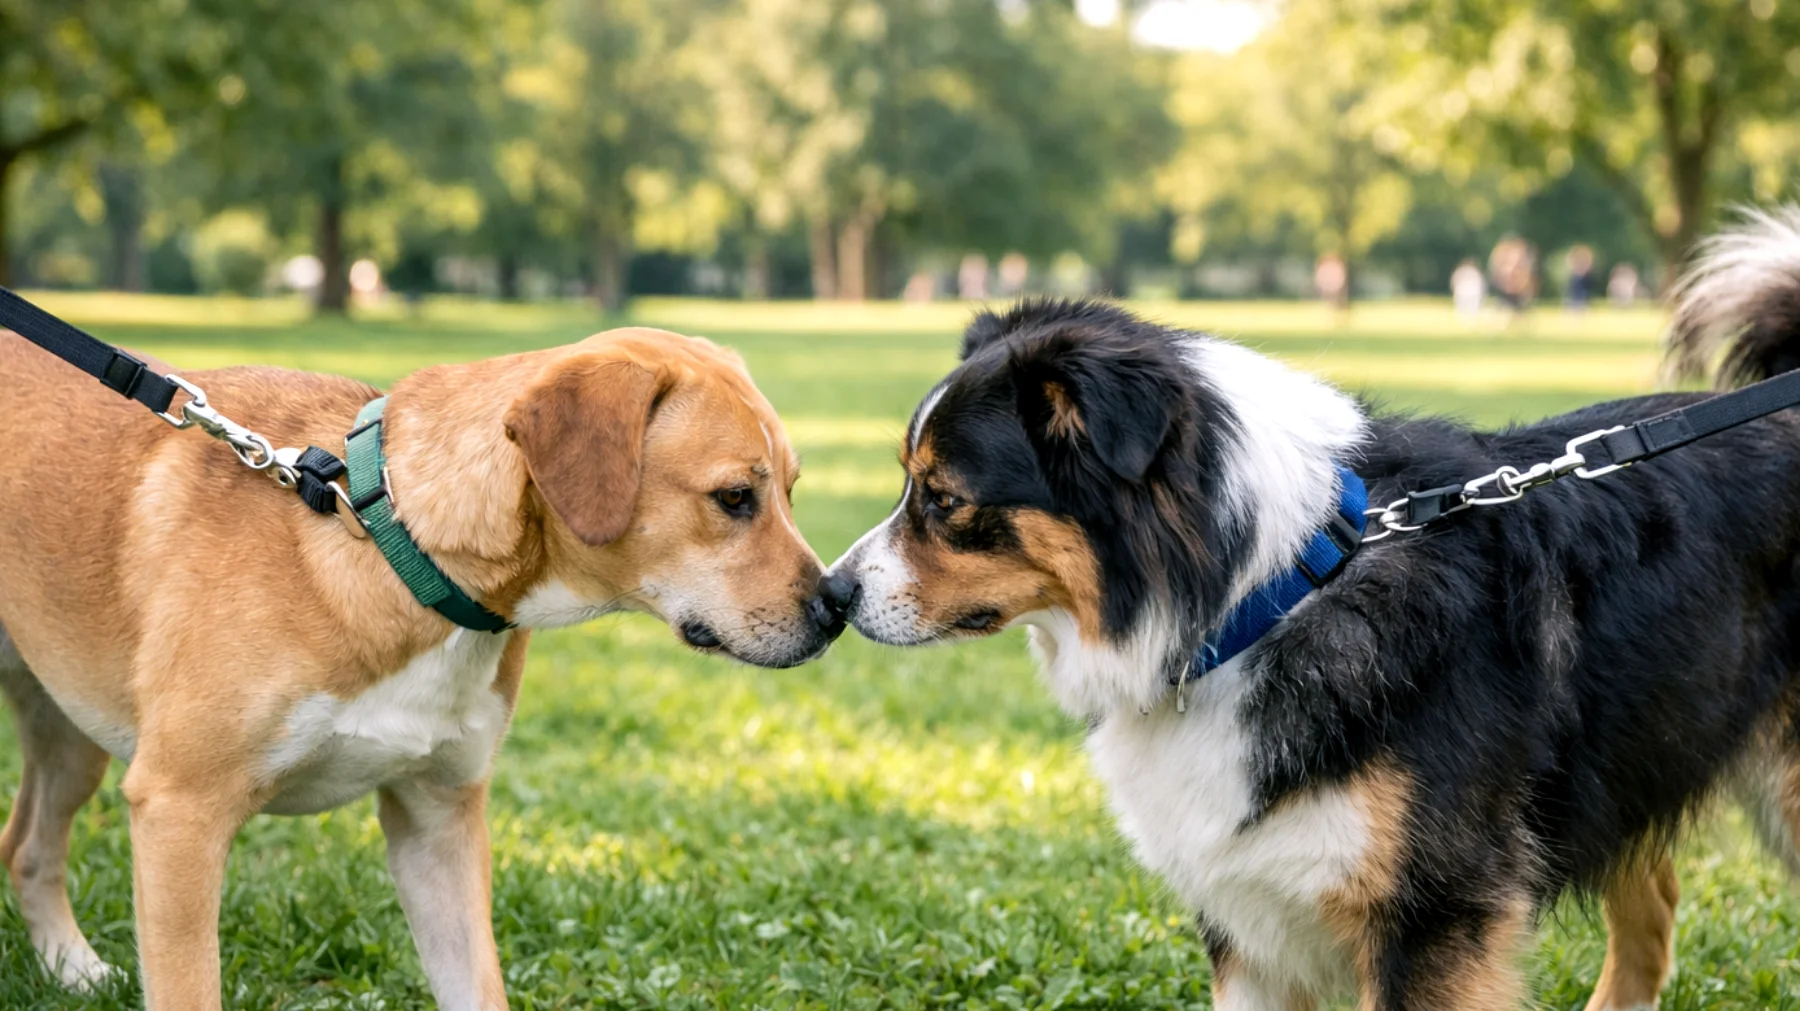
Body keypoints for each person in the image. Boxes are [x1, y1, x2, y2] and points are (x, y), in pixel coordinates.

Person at [1565, 244, 1595, 311]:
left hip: (1582, 278)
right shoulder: (1575, 272)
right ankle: (1575, 305)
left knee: (1582, 292)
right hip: (1577, 278)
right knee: (1575, 292)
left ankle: (1581, 305)